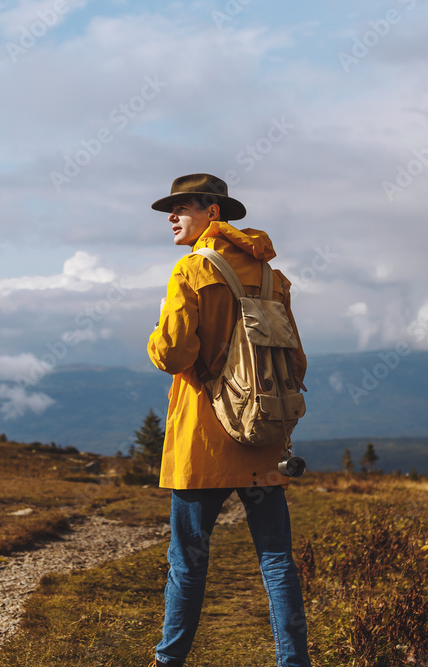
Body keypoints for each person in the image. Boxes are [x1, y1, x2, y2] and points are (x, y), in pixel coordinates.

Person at [146, 174, 312, 667]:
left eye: (183, 207)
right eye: (170, 209)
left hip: (203, 440)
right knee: (277, 558)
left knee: (188, 562)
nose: (172, 217)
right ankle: (294, 662)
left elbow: (175, 355)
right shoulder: (272, 279)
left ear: (212, 213)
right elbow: (296, 363)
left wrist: (155, 335)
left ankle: (168, 662)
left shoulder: (191, 270)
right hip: (262, 435)